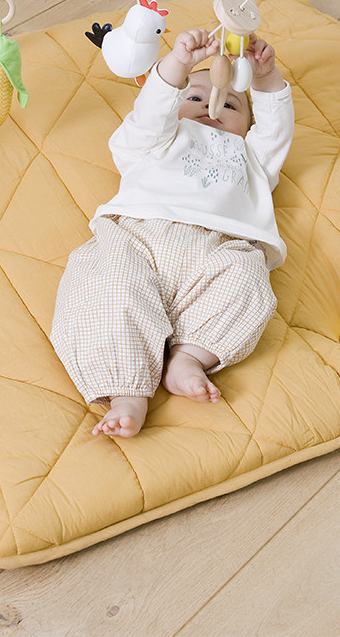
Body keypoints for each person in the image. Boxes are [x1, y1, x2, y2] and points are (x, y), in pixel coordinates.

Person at [50, 28, 294, 437]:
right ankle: (127, 392)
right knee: (105, 283)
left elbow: (275, 132)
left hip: (218, 249)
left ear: (247, 126)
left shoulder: (252, 158)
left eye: (230, 103)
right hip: (137, 238)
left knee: (249, 280)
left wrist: (266, 78)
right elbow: (149, 115)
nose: (210, 104)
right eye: (193, 96)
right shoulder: (156, 140)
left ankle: (189, 357)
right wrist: (177, 65)